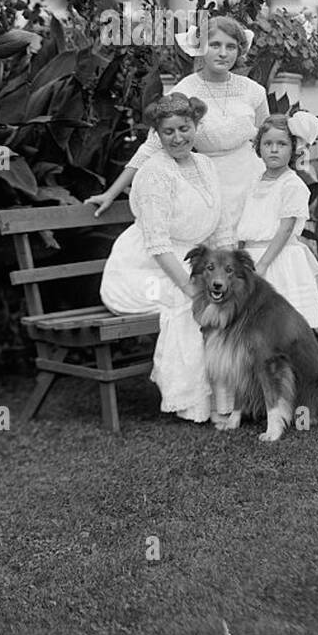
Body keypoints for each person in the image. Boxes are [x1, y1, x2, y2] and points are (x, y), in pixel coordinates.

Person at [99, 93, 230, 422]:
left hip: (186, 264)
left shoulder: (205, 165)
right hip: (141, 274)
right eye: (168, 131)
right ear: (157, 134)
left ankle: (230, 393)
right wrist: (188, 287)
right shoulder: (155, 173)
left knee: (227, 296)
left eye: (184, 128)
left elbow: (219, 225)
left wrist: (226, 271)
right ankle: (193, 401)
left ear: (195, 126)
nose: (178, 138)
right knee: (191, 303)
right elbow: (158, 245)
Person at [87, 14, 267, 238]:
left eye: (231, 47)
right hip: (211, 186)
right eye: (215, 45)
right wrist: (111, 193)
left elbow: (265, 140)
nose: (223, 53)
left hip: (253, 183)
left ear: (239, 51)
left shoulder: (254, 91)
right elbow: (152, 146)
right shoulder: (185, 91)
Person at [235, 112, 318, 329]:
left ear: (294, 149)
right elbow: (248, 220)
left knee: (280, 323)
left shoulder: (292, 185)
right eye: (268, 144)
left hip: (277, 257)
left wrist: (263, 264)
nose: (274, 149)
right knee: (252, 322)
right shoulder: (255, 182)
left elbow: (285, 229)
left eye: (282, 144)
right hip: (251, 256)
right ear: (258, 148)